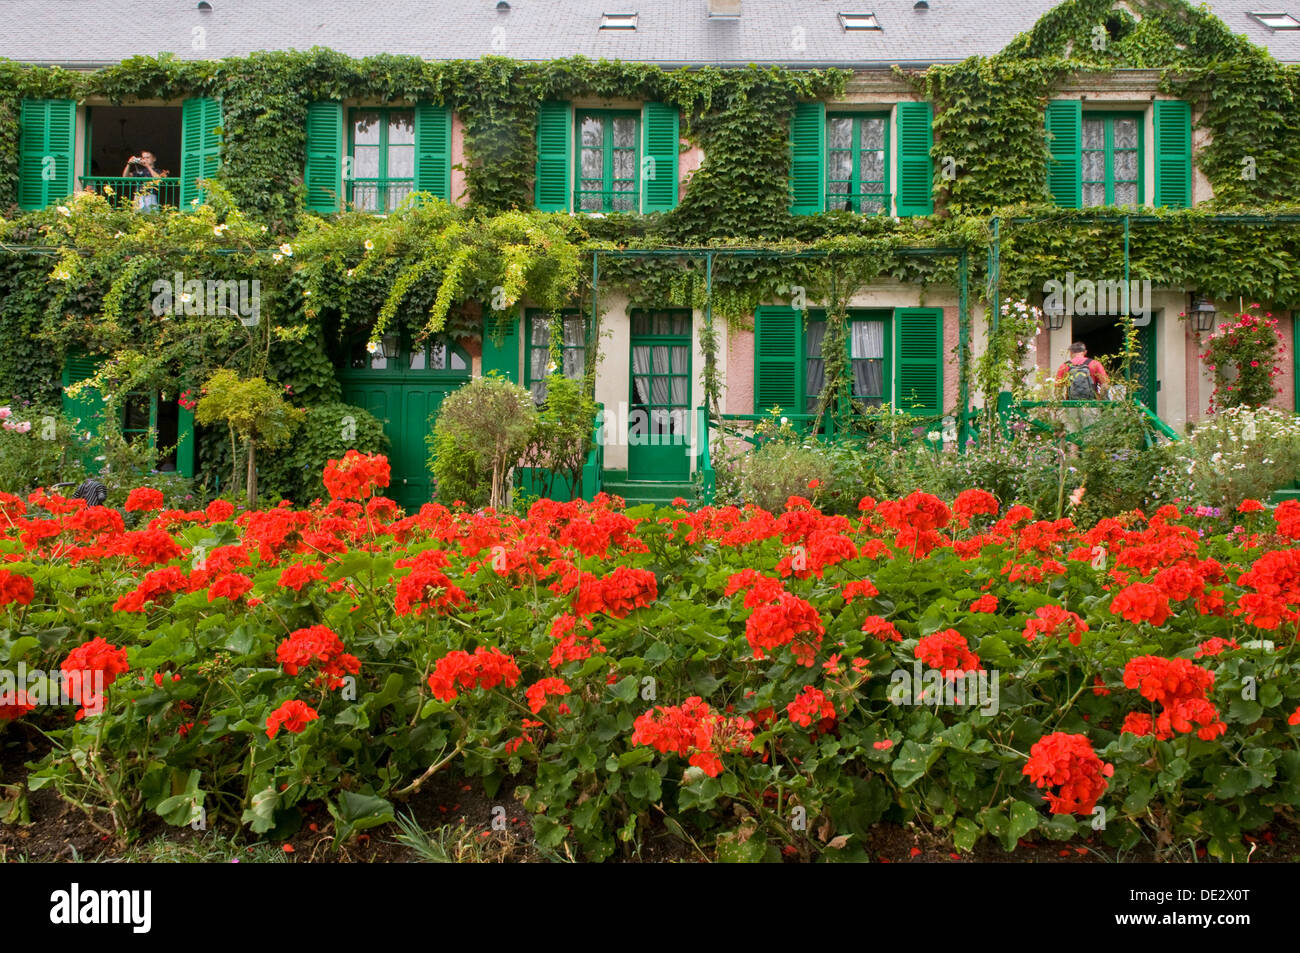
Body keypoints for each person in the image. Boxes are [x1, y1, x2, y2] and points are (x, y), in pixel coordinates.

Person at [1055, 341, 1109, 435]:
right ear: (1085, 352)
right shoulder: (1094, 364)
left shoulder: (1064, 366)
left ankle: (1073, 450)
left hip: (1071, 404)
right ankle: (1090, 449)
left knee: (1072, 434)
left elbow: (1057, 390)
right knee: (1091, 433)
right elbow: (1105, 385)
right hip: (1091, 404)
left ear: (1070, 353)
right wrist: (1101, 400)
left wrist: (1063, 404)